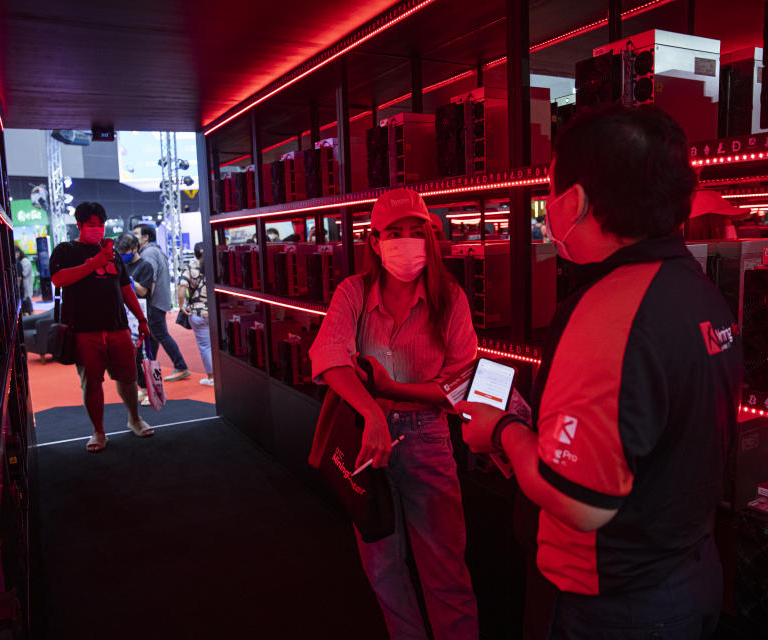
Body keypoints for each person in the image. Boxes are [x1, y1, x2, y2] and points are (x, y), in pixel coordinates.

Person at [457, 106, 743, 639]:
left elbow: (579, 502)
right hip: (687, 573)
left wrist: (500, 430)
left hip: (613, 602)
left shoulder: (608, 313)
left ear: (575, 199)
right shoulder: (699, 292)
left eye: (549, 187)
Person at [309, 188, 479, 640]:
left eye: (416, 232)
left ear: (430, 236)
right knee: (382, 566)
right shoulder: (354, 292)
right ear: (376, 241)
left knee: (445, 569)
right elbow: (328, 357)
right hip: (368, 441)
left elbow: (459, 387)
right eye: (395, 233)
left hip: (428, 438)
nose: (406, 242)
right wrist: (371, 411)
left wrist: (393, 390)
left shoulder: (451, 298)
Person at [50, 202, 154, 452]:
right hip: (84, 330)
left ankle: (134, 418)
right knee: (91, 382)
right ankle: (98, 430)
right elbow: (59, 279)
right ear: (80, 225)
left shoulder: (114, 254)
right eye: (91, 225)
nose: (97, 229)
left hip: (117, 327)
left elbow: (126, 289)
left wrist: (141, 319)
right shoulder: (66, 250)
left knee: (128, 378)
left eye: (100, 224)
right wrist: (94, 262)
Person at [133, 223, 190, 381]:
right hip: (159, 300)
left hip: (154, 302)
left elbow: (149, 279)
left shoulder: (148, 253)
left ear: (146, 237)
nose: (134, 237)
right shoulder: (155, 250)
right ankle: (150, 367)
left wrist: (145, 299)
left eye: (136, 234)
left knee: (160, 335)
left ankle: (180, 365)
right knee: (154, 337)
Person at [116, 233, 153, 406]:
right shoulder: (121, 265)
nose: (124, 255)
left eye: (126, 251)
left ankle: (150, 389)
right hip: (125, 316)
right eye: (121, 252)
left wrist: (129, 281)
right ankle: (143, 388)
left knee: (143, 355)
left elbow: (144, 291)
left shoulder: (145, 266)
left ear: (135, 248)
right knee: (132, 357)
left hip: (143, 314)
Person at [177, 242, 214, 386]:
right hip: (216, 311)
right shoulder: (215, 265)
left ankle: (211, 377)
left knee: (205, 346)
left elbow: (182, 286)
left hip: (198, 313)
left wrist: (181, 305)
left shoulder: (191, 267)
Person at [15, 246, 34, 314]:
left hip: (25, 285)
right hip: (24, 286)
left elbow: (24, 273)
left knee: (27, 306)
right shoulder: (22, 261)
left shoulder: (24, 261)